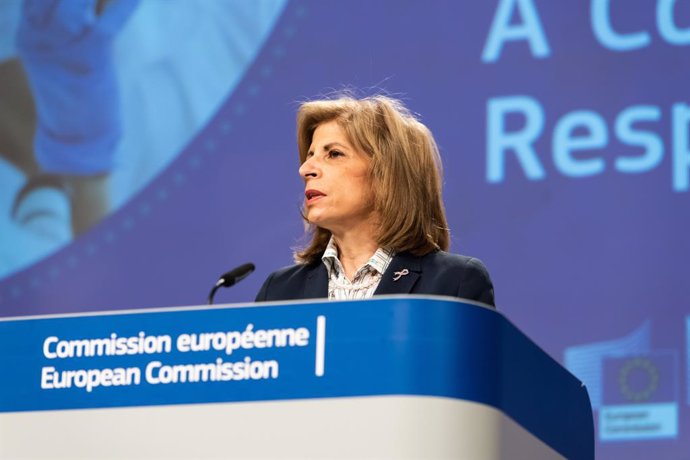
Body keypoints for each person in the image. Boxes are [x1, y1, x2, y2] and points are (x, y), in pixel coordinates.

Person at [255, 95, 495, 307]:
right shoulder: (279, 292)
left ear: (387, 174)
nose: (305, 169)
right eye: (310, 155)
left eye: (334, 154)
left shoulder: (453, 283)